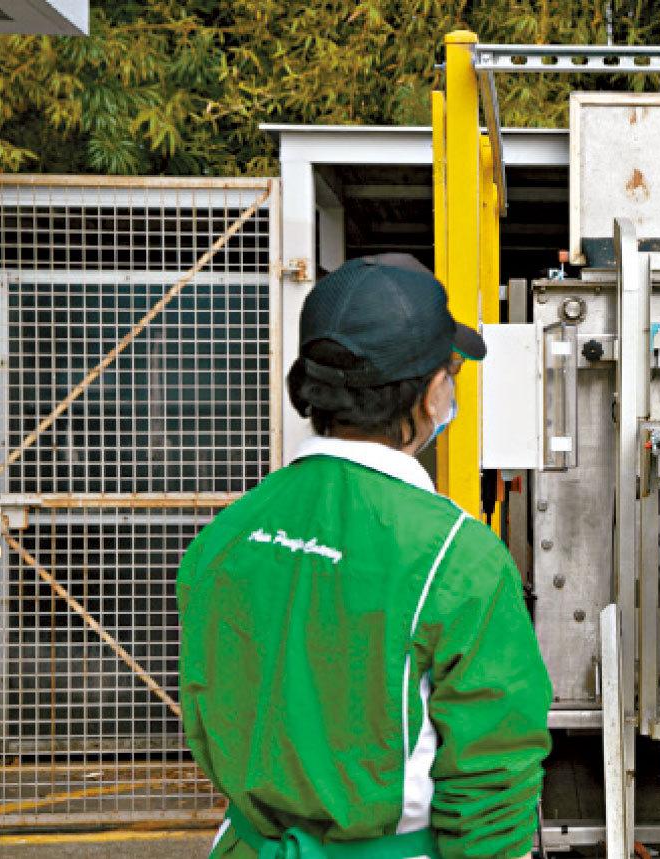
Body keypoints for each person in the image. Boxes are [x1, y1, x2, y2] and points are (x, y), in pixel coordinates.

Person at [178, 254, 552, 859]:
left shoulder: (227, 534)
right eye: (452, 372)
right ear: (431, 396)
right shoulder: (459, 559)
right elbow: (492, 777)